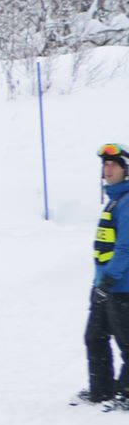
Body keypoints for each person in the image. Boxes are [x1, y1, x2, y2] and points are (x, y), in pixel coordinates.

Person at [78, 142, 129, 408]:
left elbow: (125, 248)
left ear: (126, 170)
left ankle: (127, 395)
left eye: (113, 165)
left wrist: (109, 280)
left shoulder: (127, 202)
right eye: (105, 165)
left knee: (127, 343)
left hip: (121, 287)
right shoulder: (115, 200)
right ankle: (102, 390)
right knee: (94, 337)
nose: (107, 170)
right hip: (104, 285)